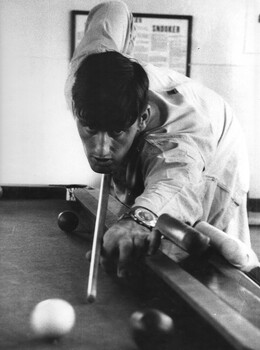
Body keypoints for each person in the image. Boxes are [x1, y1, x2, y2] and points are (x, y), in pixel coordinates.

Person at [65, 1, 252, 277]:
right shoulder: (86, 71)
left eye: (116, 132)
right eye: (91, 128)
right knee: (148, 212)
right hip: (158, 122)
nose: (100, 150)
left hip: (219, 143)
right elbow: (113, 10)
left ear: (141, 119)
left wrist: (138, 220)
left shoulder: (175, 139)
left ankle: (248, 275)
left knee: (211, 256)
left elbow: (176, 181)